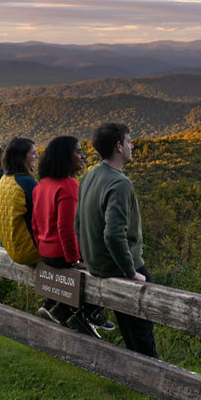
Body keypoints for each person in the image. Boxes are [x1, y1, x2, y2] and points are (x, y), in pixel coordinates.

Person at [76, 123, 158, 358]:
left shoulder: (90, 175)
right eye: (129, 142)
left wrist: (87, 257)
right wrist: (131, 272)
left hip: (97, 266)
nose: (133, 146)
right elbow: (114, 234)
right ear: (119, 146)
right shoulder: (120, 184)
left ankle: (134, 379)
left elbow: (78, 222)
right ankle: (151, 381)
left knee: (130, 330)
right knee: (143, 334)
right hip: (121, 268)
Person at [31, 135, 115, 336]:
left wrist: (42, 248)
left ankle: (58, 306)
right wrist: (74, 259)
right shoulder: (68, 186)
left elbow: (35, 224)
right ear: (65, 156)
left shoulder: (41, 185)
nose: (83, 156)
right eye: (78, 151)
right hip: (61, 254)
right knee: (109, 258)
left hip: (45, 251)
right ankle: (90, 313)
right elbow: (66, 228)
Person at [0, 137, 40, 265]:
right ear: (22, 157)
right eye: (33, 153)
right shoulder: (26, 182)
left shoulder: (4, 180)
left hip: (13, 250)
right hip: (31, 251)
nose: (37, 156)